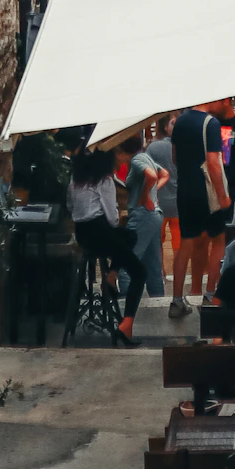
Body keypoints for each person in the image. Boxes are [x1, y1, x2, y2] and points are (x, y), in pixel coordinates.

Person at [65, 145, 146, 342]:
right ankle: (126, 325)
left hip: (83, 234)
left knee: (130, 236)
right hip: (100, 233)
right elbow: (112, 220)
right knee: (140, 272)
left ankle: (112, 274)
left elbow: (69, 205)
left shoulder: (75, 179)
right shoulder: (105, 180)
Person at [168, 100, 229, 317]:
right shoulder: (210, 123)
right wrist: (222, 196)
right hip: (206, 191)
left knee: (186, 243)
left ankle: (176, 300)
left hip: (184, 190)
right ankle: (210, 294)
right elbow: (213, 161)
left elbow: (174, 157)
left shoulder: (179, 122)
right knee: (219, 239)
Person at [120, 129, 170, 301]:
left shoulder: (137, 159)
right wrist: (153, 192)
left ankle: (126, 304)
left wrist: (145, 195)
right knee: (153, 264)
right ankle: (159, 301)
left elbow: (152, 175)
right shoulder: (145, 155)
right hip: (154, 213)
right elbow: (164, 174)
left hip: (142, 214)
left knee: (127, 262)